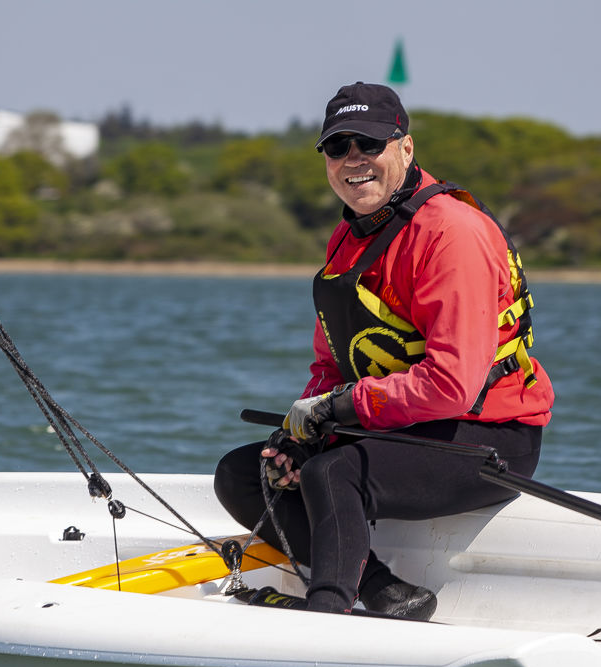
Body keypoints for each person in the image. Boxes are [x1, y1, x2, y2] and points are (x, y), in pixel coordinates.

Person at [214, 82, 554, 620]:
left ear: (406, 148)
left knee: (333, 473)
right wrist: (302, 432)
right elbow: (331, 363)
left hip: (488, 438)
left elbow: (451, 385)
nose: (353, 160)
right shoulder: (350, 236)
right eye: (337, 147)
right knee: (245, 473)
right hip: (402, 426)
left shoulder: (451, 233)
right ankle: (387, 594)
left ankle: (327, 614)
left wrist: (341, 408)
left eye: (369, 144)